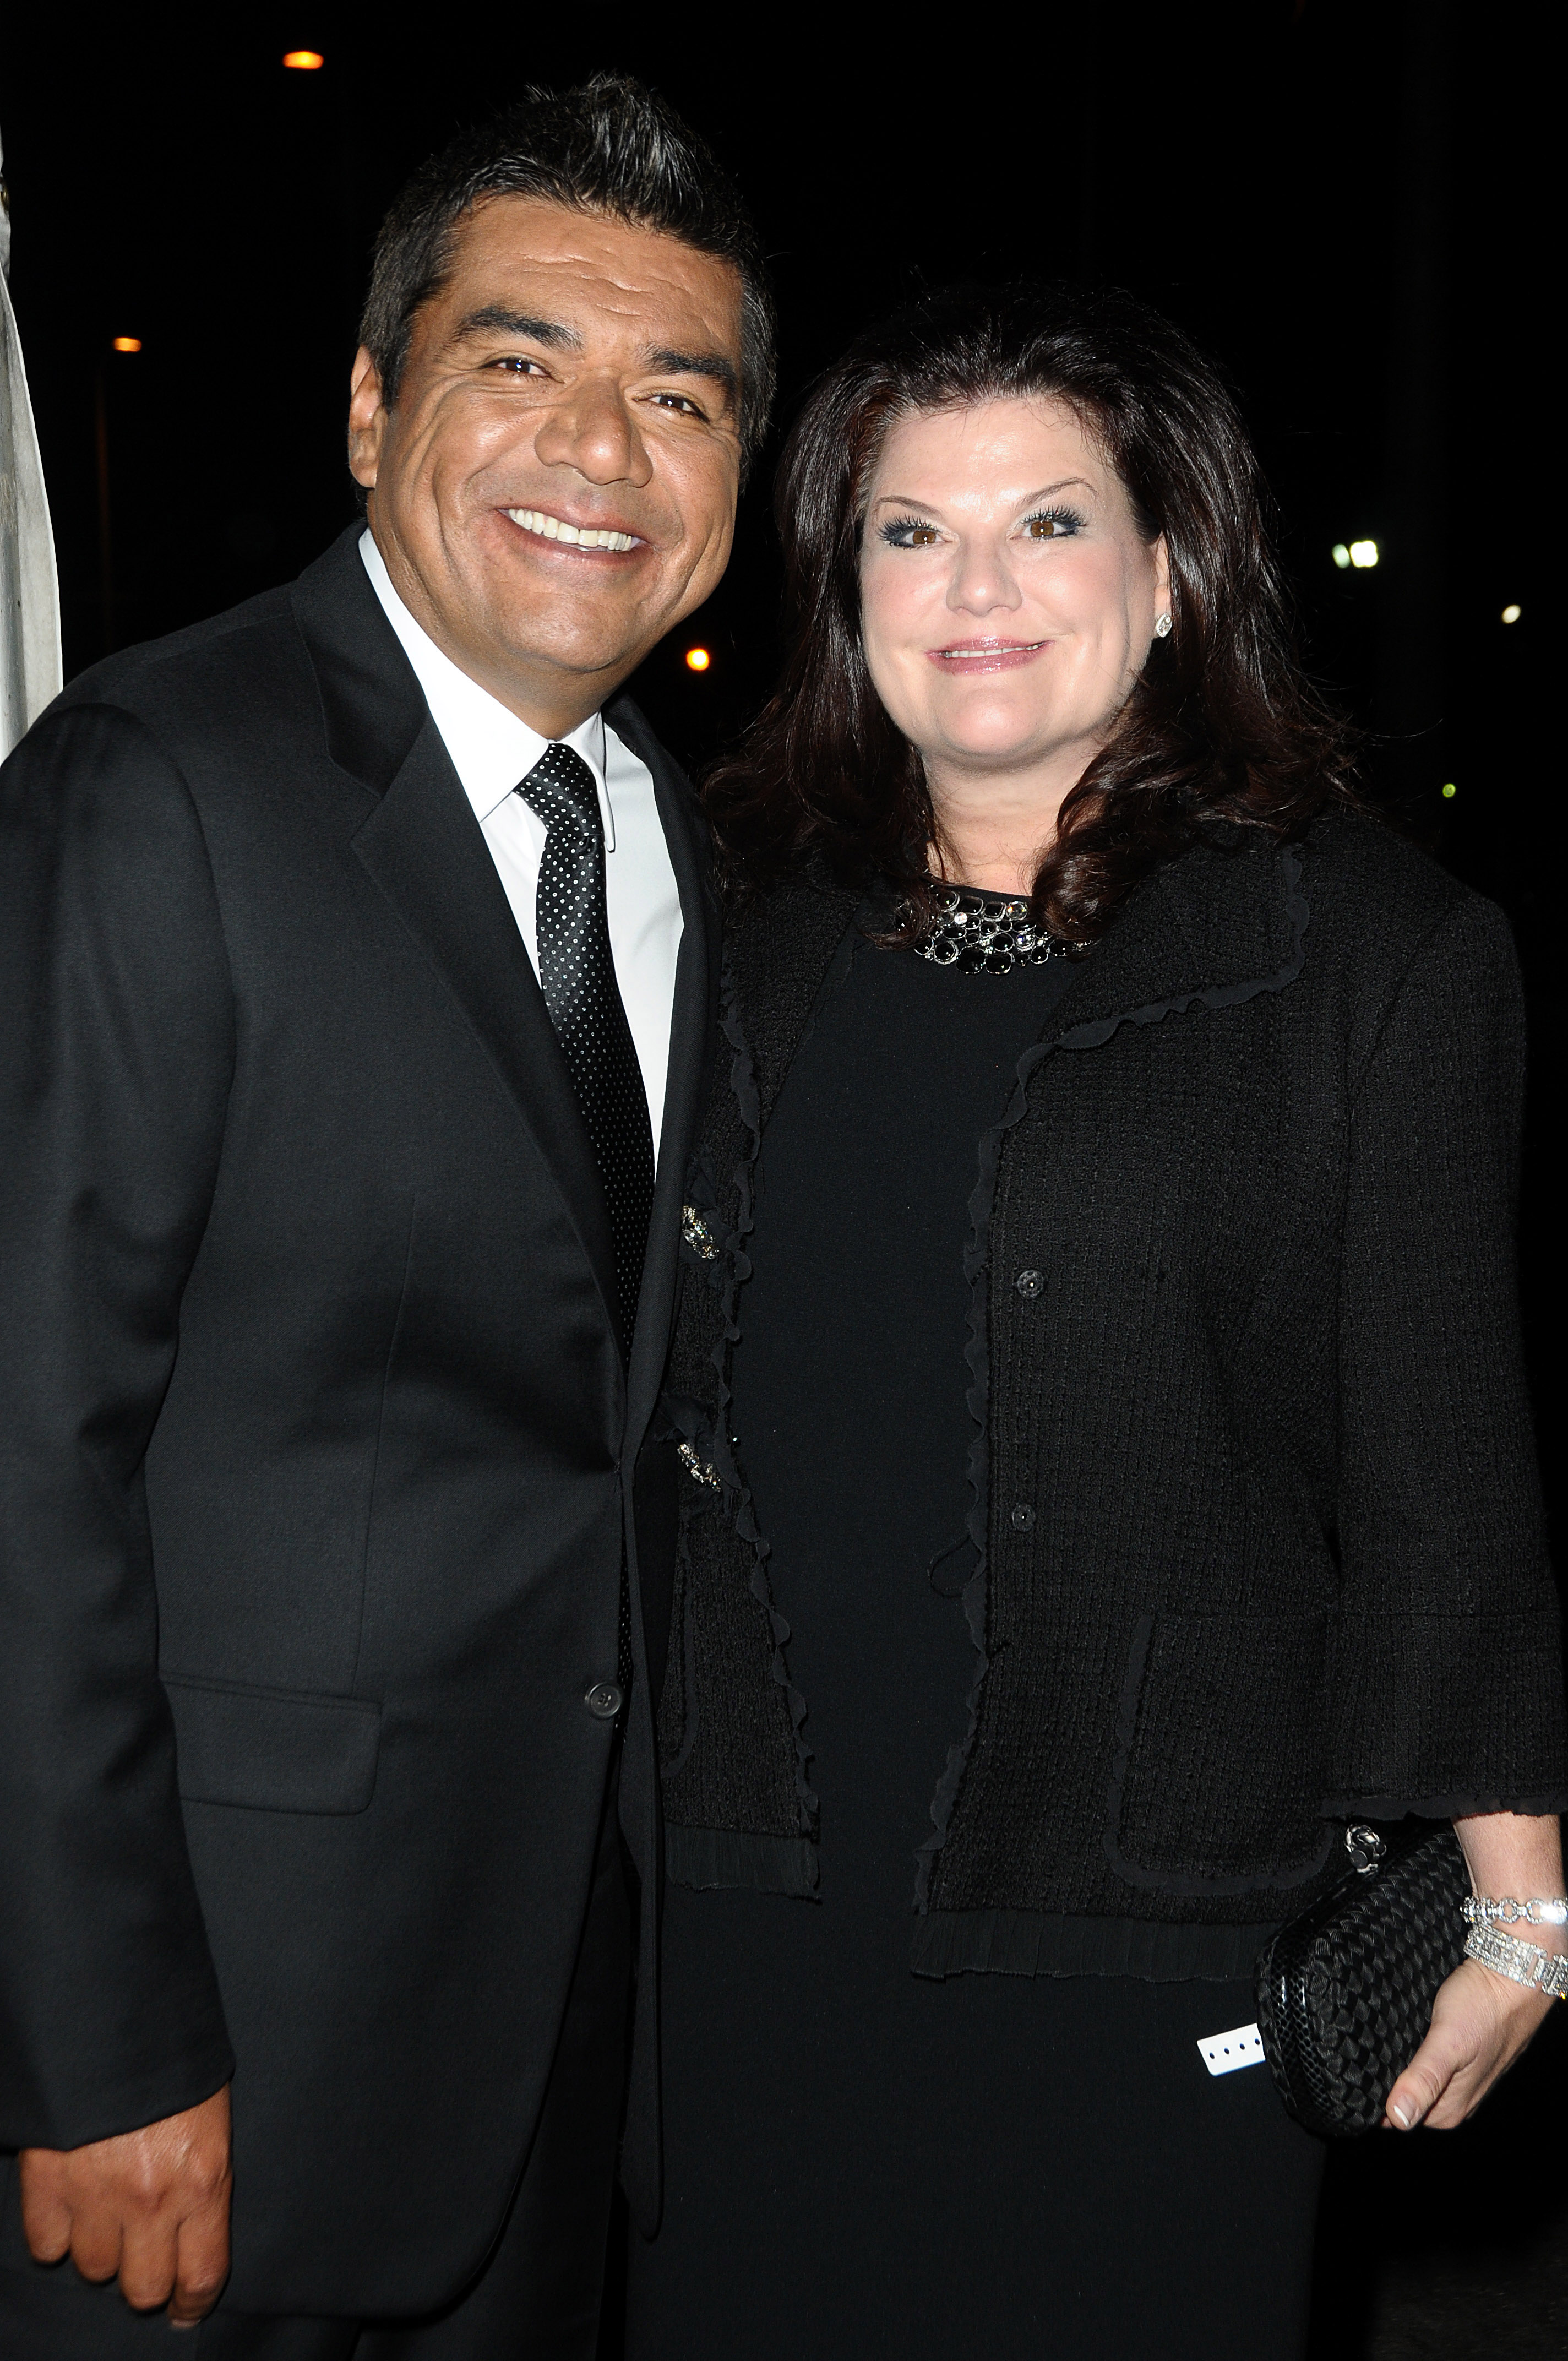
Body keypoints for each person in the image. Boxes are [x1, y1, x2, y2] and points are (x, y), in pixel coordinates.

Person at [628, 284, 1568, 2360]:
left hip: (1144, 1906)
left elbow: (1438, 1446)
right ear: (841, 581)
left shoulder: (1374, 959)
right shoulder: (710, 917)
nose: (976, 589)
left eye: (1048, 526)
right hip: (728, 1896)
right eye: (909, 531)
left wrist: (1521, 1895)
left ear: (1168, 574)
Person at [0, 74, 771, 2358]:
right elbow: (23, 1451)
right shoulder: (157, 785)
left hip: (552, 2050)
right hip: (209, 2062)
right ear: (368, 409)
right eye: (518, 362)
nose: (600, 451)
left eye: (677, 395)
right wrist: (101, 2034)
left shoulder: (673, 842)